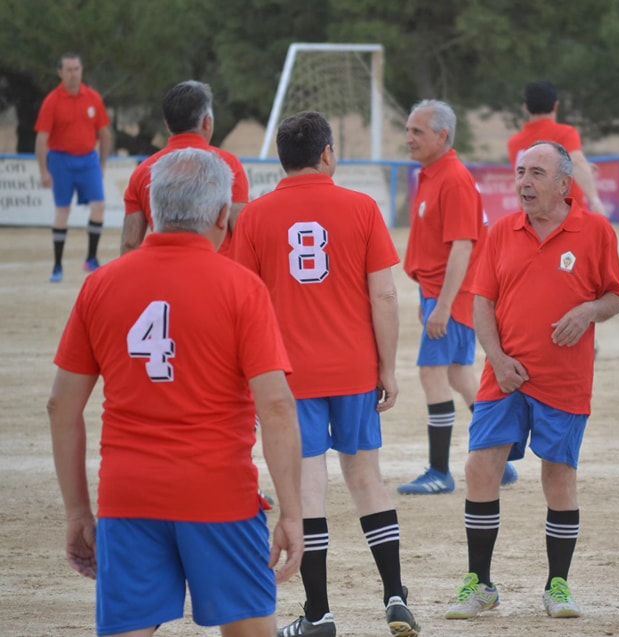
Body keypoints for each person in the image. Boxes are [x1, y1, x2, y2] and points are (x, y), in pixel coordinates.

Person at [47, 148, 303, 637]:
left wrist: (79, 510)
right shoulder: (242, 288)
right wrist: (292, 513)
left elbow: (62, 404)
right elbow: (275, 405)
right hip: (220, 495)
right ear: (223, 215)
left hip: (129, 493)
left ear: (155, 210)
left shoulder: (100, 285)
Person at [232, 111, 419, 637]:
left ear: (280, 157)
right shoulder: (361, 208)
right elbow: (383, 293)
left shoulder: (257, 217)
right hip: (355, 370)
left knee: (308, 489)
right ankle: (395, 596)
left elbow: (243, 302)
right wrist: (387, 367)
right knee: (367, 480)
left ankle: (320, 614)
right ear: (328, 153)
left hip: (289, 378)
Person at [444, 141, 619, 621]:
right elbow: (482, 301)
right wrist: (498, 359)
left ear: (564, 184)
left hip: (564, 380)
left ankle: (557, 586)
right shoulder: (502, 231)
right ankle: (479, 584)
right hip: (503, 377)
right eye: (521, 172)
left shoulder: (596, 232)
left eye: (536, 173)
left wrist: (588, 311)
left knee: (558, 476)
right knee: (481, 467)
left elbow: (614, 297)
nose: (524, 182)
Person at [399, 99, 517, 495]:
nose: (409, 138)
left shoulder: (453, 178)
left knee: (432, 373)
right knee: (456, 374)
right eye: (409, 129)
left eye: (417, 131)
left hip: (455, 294)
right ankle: (501, 458)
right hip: (439, 292)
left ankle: (439, 471)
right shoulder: (431, 175)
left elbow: (462, 247)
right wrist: (426, 296)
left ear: (442, 136)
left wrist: (444, 305)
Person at [122, 80, 249, 256]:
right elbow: (242, 230)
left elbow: (130, 242)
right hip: (218, 275)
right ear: (207, 122)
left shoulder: (144, 171)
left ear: (167, 124)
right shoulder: (227, 165)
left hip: (166, 274)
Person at [35, 52, 112, 283]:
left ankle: (91, 258)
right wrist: (43, 171)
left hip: (88, 159)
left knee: (99, 206)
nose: (72, 74)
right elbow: (41, 138)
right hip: (61, 160)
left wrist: (102, 162)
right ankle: (57, 265)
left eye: (76, 69)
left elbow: (105, 133)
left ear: (82, 70)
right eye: (68, 70)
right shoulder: (52, 101)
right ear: (60, 73)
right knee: (62, 211)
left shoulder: (93, 98)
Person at [507, 80, 604, 214]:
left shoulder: (514, 142)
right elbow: (577, 164)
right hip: (565, 216)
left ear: (525, 107)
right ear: (556, 105)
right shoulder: (565, 133)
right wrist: (595, 201)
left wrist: (582, 167)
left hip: (530, 218)